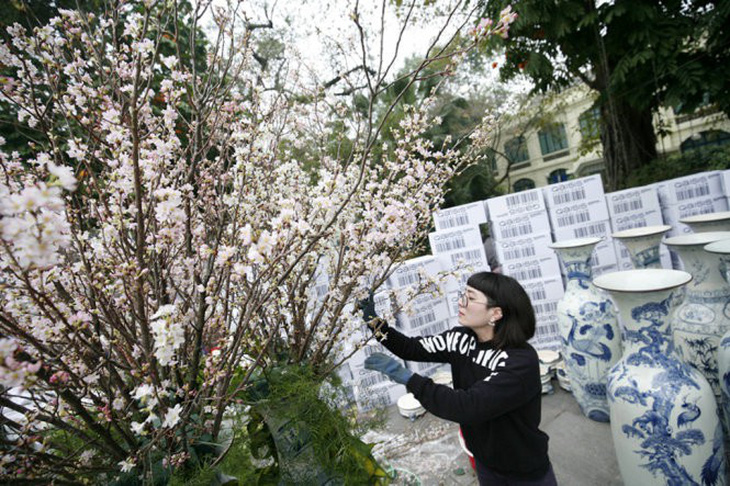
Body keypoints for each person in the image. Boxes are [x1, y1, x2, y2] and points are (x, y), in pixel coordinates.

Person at [360, 271, 557, 485]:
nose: (461, 303)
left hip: (523, 469)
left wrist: (409, 379)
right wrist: (375, 323)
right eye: (463, 295)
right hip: (484, 460)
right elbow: (411, 348)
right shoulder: (461, 339)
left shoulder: (519, 361)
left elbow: (468, 406)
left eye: (471, 298)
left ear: (496, 313)